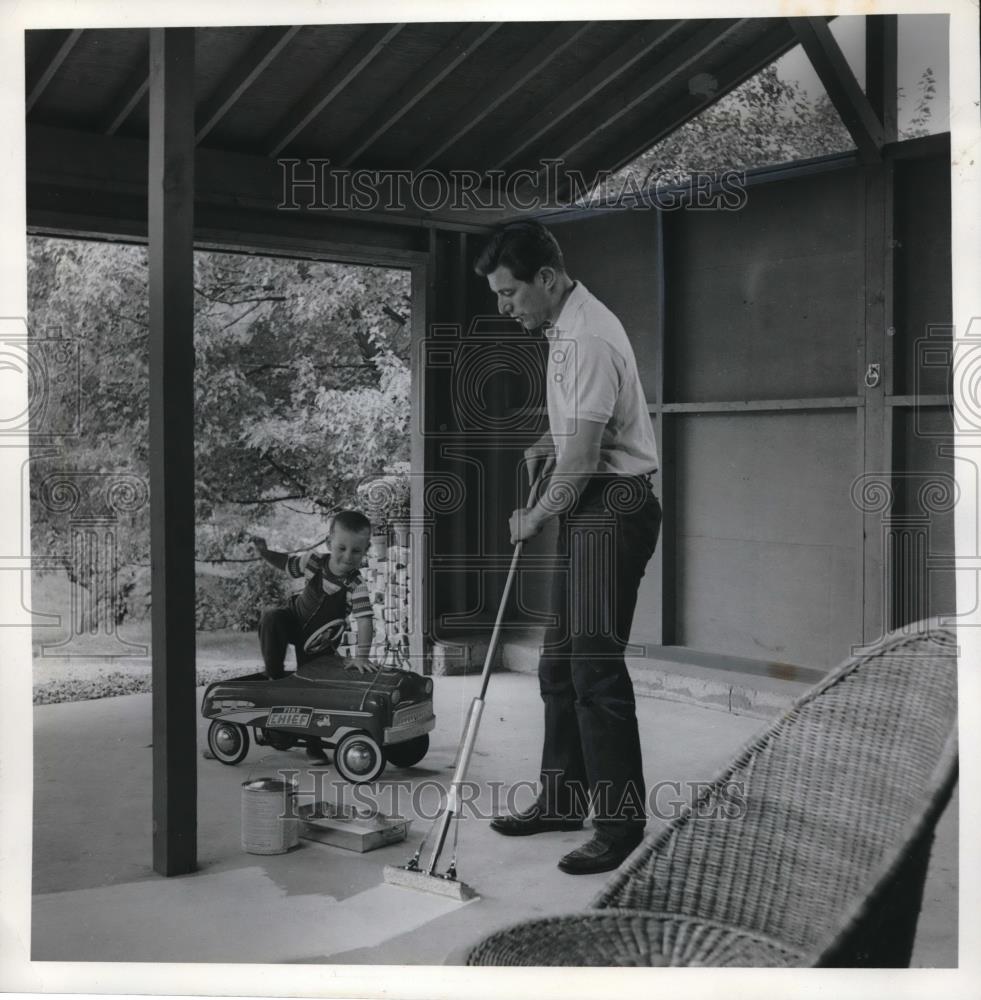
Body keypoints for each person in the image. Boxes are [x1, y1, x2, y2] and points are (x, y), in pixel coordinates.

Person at [474, 221, 662, 875]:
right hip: (589, 501)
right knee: (558, 664)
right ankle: (561, 798)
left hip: (612, 505)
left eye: (508, 294)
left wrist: (530, 517)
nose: (504, 307)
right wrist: (547, 442)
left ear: (546, 279)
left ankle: (619, 824)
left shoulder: (583, 336)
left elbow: (584, 462)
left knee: (593, 669)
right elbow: (578, 438)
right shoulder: (560, 326)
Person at [252, 509, 377, 764]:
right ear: (330, 543)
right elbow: (286, 564)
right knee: (271, 617)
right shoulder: (313, 562)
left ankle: (314, 744)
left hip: (320, 639)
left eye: (356, 551)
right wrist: (265, 553)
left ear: (366, 550)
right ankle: (273, 675)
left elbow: (365, 620)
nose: (347, 557)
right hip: (293, 620)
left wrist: (361, 657)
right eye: (341, 548)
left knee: (314, 690)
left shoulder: (356, 585)